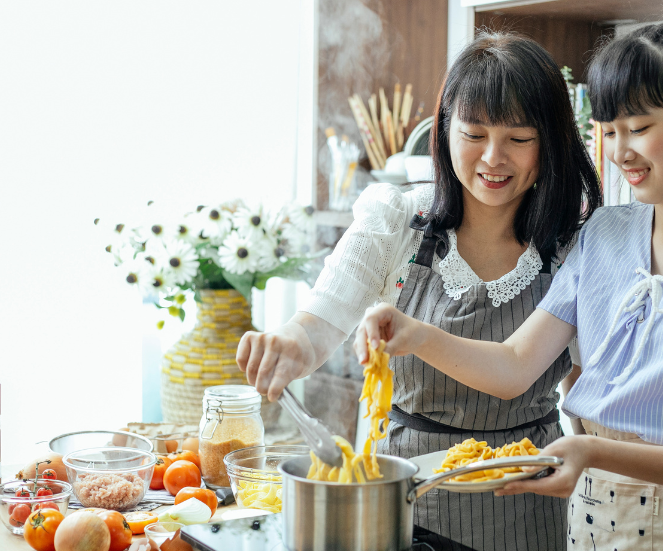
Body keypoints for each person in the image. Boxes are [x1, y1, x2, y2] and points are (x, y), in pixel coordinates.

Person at [354, 2, 663, 549]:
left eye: (637, 129)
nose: (619, 153)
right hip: (591, 514)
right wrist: (413, 332)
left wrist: (592, 450)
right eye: (608, 131)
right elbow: (516, 364)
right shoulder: (605, 233)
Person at [236, 32, 600, 551]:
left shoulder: (574, 245)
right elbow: (319, 323)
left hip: (529, 502)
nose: (493, 159)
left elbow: (584, 389)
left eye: (519, 139)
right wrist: (289, 346)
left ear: (551, 143)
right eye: (474, 134)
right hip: (401, 498)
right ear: (446, 129)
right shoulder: (398, 219)